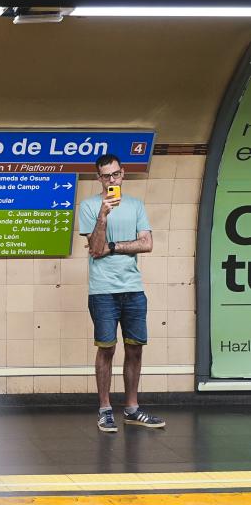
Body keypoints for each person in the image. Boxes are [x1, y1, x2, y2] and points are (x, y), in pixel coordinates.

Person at [78, 153, 165, 433]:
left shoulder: (136, 206)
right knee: (106, 349)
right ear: (99, 178)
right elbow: (95, 249)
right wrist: (103, 215)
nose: (112, 180)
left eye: (115, 174)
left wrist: (114, 247)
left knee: (135, 349)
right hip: (103, 290)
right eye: (106, 176)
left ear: (123, 173)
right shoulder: (89, 206)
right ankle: (105, 410)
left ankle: (131, 409)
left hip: (133, 289)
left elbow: (147, 244)